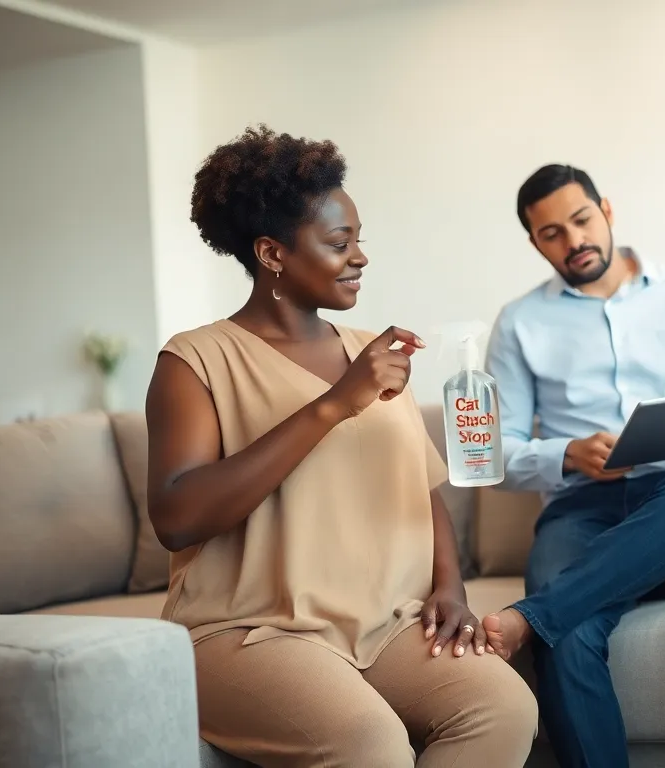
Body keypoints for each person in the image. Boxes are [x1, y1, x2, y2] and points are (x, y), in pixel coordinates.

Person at [145, 125, 537, 768]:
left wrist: (451, 587)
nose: (360, 257)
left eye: (359, 239)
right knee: (368, 743)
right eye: (338, 242)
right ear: (272, 253)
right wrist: (333, 405)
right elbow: (178, 517)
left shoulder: (371, 352)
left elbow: (422, 488)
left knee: (503, 705)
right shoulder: (196, 360)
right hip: (244, 632)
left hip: (386, 625)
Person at [478, 163, 665, 767]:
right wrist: (564, 454)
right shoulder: (519, 323)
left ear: (607, 210)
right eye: (552, 234)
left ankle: (532, 618)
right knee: (569, 640)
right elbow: (494, 457)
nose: (574, 241)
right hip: (580, 510)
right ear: (535, 243)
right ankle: (551, 619)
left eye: (582, 220)